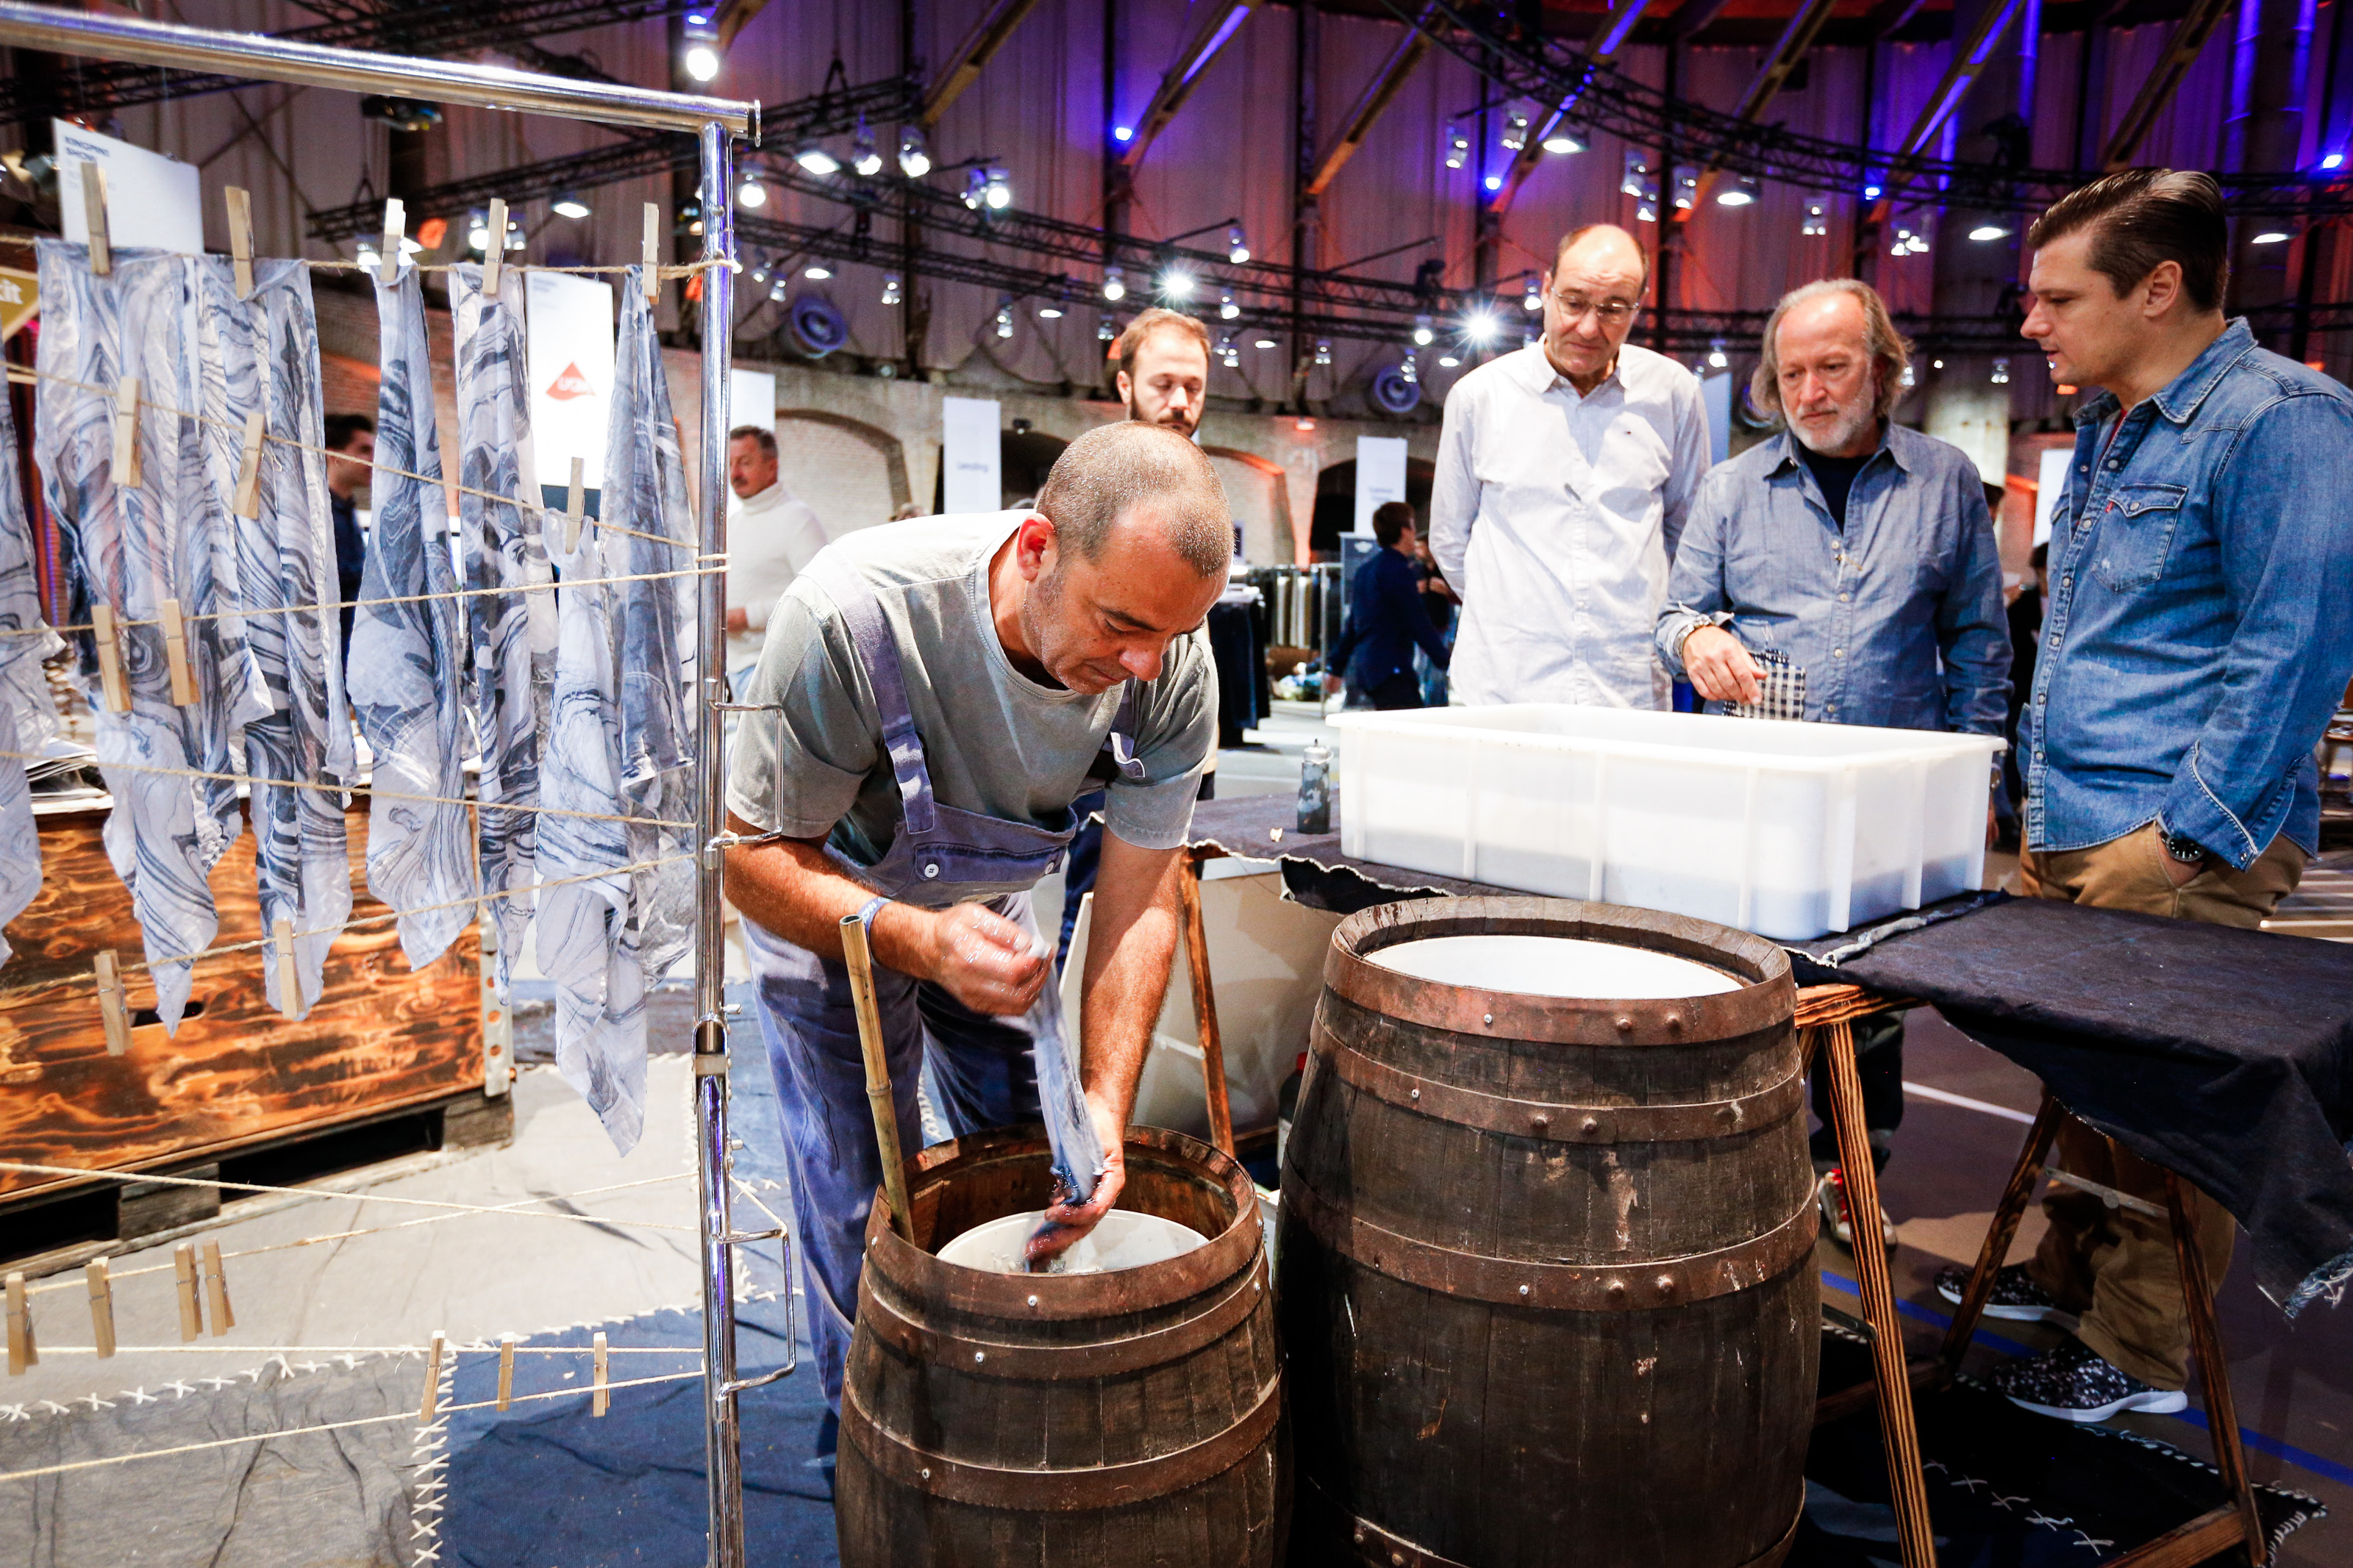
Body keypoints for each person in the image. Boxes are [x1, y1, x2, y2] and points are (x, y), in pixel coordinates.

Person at [722, 421, 1230, 1461]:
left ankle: (1013, 1406)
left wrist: (1102, 1107)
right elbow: (750, 859)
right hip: (835, 906)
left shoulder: (1169, 657)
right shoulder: (854, 614)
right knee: (861, 1190)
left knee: (1039, 1151)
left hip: (985, 908)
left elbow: (1141, 894)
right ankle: (870, 1436)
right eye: (1121, 625)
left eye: (1172, 634)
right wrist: (910, 937)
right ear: (1037, 549)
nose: (1143, 663)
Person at [1936, 168, 2353, 1424]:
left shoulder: (2284, 420)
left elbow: (2296, 649)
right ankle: (2075, 1275)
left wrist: (2182, 841)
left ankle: (2140, 1350)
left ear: (2159, 287)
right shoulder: (2119, 423)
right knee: (2088, 1090)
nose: (2032, 321)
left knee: (2163, 1109)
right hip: (2072, 819)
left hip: (2167, 834)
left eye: (2058, 298)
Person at [1657, 278, 2010, 1250]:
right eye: (1791, 374)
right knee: (1744, 979)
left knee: (1871, 999)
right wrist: (1693, 641)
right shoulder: (1732, 488)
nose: (1809, 392)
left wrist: (1980, 779)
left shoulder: (1943, 481)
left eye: (1832, 368)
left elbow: (1979, 644)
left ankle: (1852, 1172)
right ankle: (1738, 1168)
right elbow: (1672, 617)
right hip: (1758, 791)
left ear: (1883, 370)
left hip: (1890, 793)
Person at [1429, 223, 1712, 709]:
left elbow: (1688, 532)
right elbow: (1450, 539)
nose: (1588, 328)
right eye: (1574, 302)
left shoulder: (1673, 393)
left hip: (1626, 685)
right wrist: (1513, 616)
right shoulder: (1479, 397)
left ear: (1638, 307)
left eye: (1613, 309)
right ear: (1546, 289)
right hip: (1504, 686)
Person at [1055, 307, 1217, 973]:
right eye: (1163, 384)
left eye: (1194, 387)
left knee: (1166, 904)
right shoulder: (1090, 484)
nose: (1180, 402)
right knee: (1094, 907)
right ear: (1124, 385)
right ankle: (1063, 1034)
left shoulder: (1203, 483)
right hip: (1099, 741)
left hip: (1178, 737)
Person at [723, 424, 828, 694]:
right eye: (730, 464)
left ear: (772, 467)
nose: (735, 474)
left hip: (779, 671)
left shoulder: (798, 519)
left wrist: (747, 617)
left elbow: (820, 597)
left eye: (745, 463)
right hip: (732, 670)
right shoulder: (732, 524)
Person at [1324, 501, 1452, 709]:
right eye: (1413, 526)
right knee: (1410, 724)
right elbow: (1417, 621)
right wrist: (1447, 661)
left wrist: (1336, 668)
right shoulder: (1398, 571)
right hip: (1391, 668)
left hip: (1369, 668)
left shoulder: (1366, 570)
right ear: (1404, 531)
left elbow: (1353, 624)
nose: (1414, 534)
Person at [322, 412, 374, 659]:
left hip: (353, 650)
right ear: (334, 456)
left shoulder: (348, 512)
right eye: (364, 450)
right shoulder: (321, 515)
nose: (373, 460)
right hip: (331, 651)